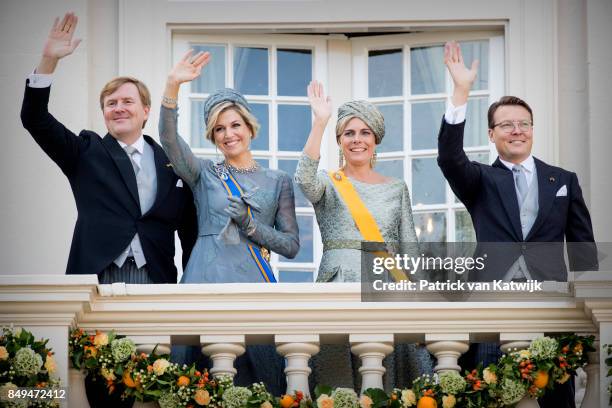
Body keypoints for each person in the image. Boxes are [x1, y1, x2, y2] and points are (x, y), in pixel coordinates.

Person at [438, 41, 597, 408]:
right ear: (491, 134)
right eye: (506, 124)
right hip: (493, 309)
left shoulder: (563, 181)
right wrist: (461, 91)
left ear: (532, 129)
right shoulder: (479, 180)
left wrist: (587, 310)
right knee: (495, 398)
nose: (516, 130)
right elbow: (449, 156)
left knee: (557, 400)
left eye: (523, 123)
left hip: (552, 310)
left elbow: (584, 251)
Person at [159, 49, 299, 395]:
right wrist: (172, 87)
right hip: (205, 277)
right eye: (219, 128)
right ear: (212, 135)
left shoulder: (278, 179)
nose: (228, 134)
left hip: (254, 282)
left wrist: (252, 225)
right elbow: (169, 141)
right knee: (196, 382)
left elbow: (292, 246)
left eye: (235, 125)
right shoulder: (204, 173)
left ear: (250, 127)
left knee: (259, 383)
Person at [20, 12, 197, 285]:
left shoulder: (172, 164)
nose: (119, 108)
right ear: (103, 113)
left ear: (145, 110)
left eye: (127, 101)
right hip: (97, 278)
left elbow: (190, 235)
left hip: (157, 280)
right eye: (111, 103)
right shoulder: (85, 152)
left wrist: (191, 292)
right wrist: (49, 61)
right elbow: (35, 118)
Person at [294, 81, 433, 391]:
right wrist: (320, 122)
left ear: (375, 139)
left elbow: (410, 250)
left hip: (386, 286)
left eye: (364, 133)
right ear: (340, 140)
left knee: (384, 377)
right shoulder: (329, 183)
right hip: (338, 283)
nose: (357, 140)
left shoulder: (396, 188)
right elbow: (303, 179)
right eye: (349, 133)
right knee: (338, 380)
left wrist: (423, 303)